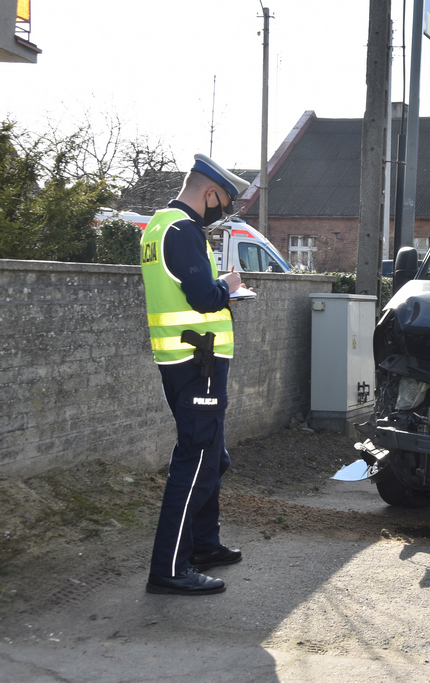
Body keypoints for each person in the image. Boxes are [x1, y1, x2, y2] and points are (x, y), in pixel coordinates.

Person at [140, 154, 250, 595]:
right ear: (210, 193)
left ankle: (204, 545)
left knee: (212, 456)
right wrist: (231, 287)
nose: (222, 211)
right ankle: (169, 570)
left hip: (189, 360)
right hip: (195, 363)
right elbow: (205, 298)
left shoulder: (158, 226)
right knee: (196, 461)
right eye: (223, 202)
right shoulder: (182, 230)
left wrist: (218, 289)